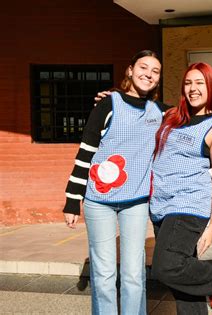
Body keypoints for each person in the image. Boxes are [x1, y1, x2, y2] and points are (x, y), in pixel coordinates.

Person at [63, 50, 166, 314]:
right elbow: (86, 151)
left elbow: (193, 119)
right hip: (99, 201)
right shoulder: (108, 104)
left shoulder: (161, 112)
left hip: (136, 202)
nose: (149, 74)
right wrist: (72, 200)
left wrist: (211, 108)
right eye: (143, 68)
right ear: (130, 71)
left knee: (134, 274)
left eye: (155, 71)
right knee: (104, 274)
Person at [150, 62, 212, 314]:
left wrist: (211, 227)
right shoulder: (172, 117)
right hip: (161, 205)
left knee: (166, 267)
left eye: (200, 83)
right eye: (188, 83)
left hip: (188, 205)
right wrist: (113, 97)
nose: (193, 88)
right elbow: (142, 107)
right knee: (185, 284)